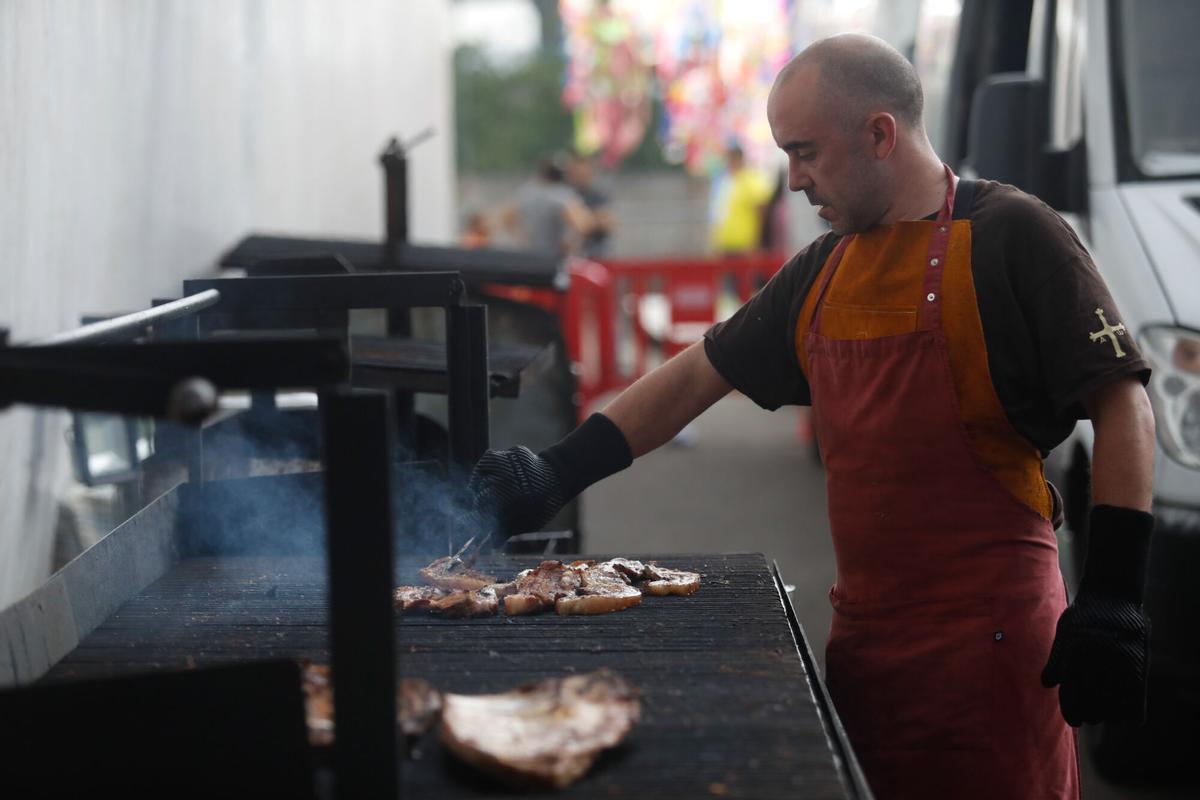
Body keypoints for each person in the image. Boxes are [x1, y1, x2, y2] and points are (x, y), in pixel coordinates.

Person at [469, 33, 1155, 800]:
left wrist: (1115, 594)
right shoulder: (825, 269)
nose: (792, 181)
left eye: (805, 153)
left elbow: (1122, 403)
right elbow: (699, 373)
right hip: (867, 644)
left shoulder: (1013, 236)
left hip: (992, 650)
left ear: (879, 135)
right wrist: (557, 469)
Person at [500, 154, 595, 257]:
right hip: (554, 258)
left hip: (529, 255)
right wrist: (570, 242)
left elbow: (506, 217)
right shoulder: (562, 195)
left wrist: (521, 237)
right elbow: (583, 225)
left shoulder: (526, 192)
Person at [709, 144, 775, 255]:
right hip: (725, 244)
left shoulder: (750, 178)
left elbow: (761, 211)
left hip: (745, 245)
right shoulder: (726, 180)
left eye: (732, 159)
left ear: (739, 159)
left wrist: (757, 242)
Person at [566, 150, 616, 259]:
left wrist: (587, 222)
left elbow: (609, 223)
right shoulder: (565, 194)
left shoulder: (597, 195)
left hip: (596, 253)